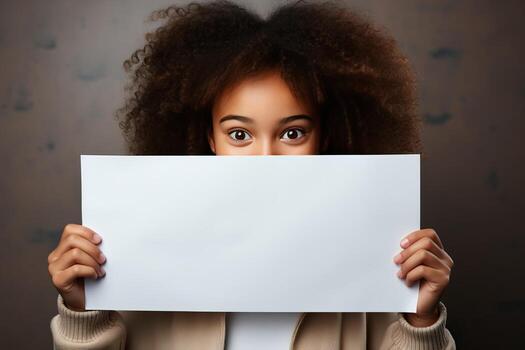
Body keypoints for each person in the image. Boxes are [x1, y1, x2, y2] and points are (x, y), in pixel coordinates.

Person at [48, 1, 456, 349]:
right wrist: (85, 314)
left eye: (292, 133)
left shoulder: (377, 254)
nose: (266, 158)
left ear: (323, 136)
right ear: (210, 137)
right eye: (239, 134)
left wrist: (420, 322)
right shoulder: (139, 249)